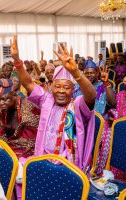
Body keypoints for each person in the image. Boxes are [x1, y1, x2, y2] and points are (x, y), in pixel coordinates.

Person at [10, 35, 96, 171]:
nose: (61, 91)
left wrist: (75, 72)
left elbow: (91, 96)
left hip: (67, 164)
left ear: (73, 90)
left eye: (66, 87)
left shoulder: (77, 105)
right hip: (42, 157)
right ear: (51, 87)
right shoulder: (46, 99)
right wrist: (17, 61)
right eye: (57, 86)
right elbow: (27, 83)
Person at [0, 78, 40, 158]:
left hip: (26, 149)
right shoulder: (4, 108)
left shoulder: (29, 108)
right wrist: (1, 145)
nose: (1, 103)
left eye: (5, 99)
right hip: (7, 145)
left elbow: (29, 141)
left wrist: (5, 148)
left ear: (14, 94)